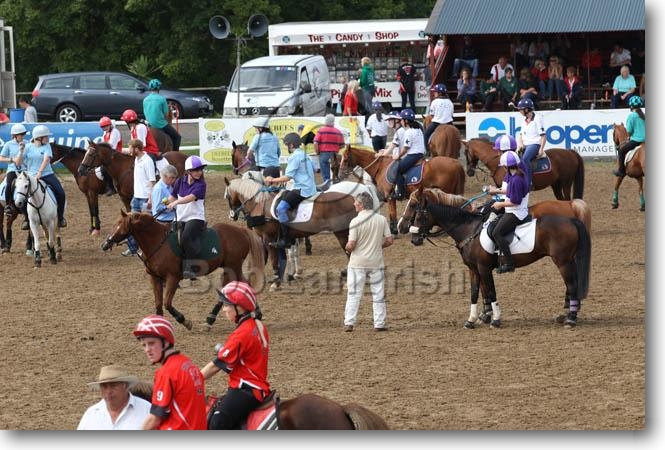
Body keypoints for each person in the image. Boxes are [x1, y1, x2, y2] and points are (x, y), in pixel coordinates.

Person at [201, 281, 270, 429]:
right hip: (258, 388)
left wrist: (193, 380)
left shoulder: (241, 334)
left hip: (245, 389)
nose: (224, 310)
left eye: (227, 305)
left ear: (239, 307)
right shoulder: (258, 325)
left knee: (217, 423)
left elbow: (215, 366)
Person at [133, 315, 207, 430]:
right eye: (144, 345)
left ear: (166, 342)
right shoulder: (189, 364)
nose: (147, 350)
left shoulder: (166, 372)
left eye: (151, 343)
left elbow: (155, 418)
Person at [343, 191, 393, 332]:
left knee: (354, 293)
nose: (354, 204)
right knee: (378, 293)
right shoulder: (381, 219)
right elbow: (389, 240)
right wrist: (378, 246)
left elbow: (351, 244)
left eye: (356, 202)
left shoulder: (355, 221)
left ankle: (349, 322)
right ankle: (379, 323)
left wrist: (347, 248)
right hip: (376, 261)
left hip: (357, 263)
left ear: (361, 205)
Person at [264, 133, 316, 249]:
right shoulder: (305, 155)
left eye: (287, 144)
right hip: (311, 188)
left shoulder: (294, 157)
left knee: (280, 209)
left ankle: (286, 239)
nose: (286, 146)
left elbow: (288, 177)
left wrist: (272, 180)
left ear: (291, 145)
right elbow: (315, 169)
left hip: (302, 189)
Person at [15, 124, 67, 228]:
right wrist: (20, 152)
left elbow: (46, 159)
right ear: (38, 137)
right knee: (20, 196)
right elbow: (18, 163)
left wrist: (39, 172)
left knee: (61, 193)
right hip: (31, 176)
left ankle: (60, 218)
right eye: (46, 136)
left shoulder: (47, 146)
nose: (47, 138)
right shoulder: (27, 147)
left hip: (47, 174)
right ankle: (27, 219)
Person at [486, 150, 530, 274]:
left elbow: (515, 202)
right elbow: (509, 191)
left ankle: (510, 264)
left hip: (516, 212)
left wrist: (500, 204)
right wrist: (496, 191)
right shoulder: (513, 175)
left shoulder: (516, 179)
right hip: (512, 210)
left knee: (497, 233)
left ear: (505, 166)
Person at [166, 155, 207, 279]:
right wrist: (167, 202)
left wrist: (176, 202)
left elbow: (191, 198)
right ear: (188, 171)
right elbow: (172, 197)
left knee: (186, 237)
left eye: (201, 170)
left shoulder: (201, 184)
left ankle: (192, 269)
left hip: (195, 218)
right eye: (196, 170)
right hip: (180, 217)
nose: (199, 172)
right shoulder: (180, 181)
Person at [77, 365, 151, 430]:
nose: (108, 392)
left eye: (113, 386)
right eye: (104, 387)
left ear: (125, 386)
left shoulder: (147, 410)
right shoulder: (91, 414)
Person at [121, 139, 156, 257]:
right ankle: (132, 248)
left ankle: (148, 247)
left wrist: (150, 198)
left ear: (136, 149)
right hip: (136, 198)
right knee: (132, 223)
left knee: (146, 225)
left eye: (130, 148)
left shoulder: (147, 161)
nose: (129, 150)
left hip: (145, 198)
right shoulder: (137, 159)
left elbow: (152, 181)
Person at [0, 124, 30, 229]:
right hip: (13, 169)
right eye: (20, 134)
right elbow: (1, 158)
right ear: (15, 135)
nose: (22, 136)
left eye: (23, 134)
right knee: (9, 184)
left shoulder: (28, 143)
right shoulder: (8, 144)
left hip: (25, 170)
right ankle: (8, 206)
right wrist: (11, 160)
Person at [394, 108, 425, 199]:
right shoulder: (418, 129)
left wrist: (398, 156)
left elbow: (405, 148)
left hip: (413, 156)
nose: (400, 122)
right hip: (421, 154)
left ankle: (400, 193)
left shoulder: (408, 131)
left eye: (401, 120)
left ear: (406, 121)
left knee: (397, 170)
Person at [515, 98, 546, 189]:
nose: (520, 111)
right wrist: (520, 144)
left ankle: (529, 182)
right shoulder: (524, 121)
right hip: (525, 144)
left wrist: (541, 149)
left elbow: (543, 136)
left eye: (521, 109)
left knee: (525, 159)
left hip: (535, 144)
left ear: (526, 109)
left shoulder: (537, 119)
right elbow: (521, 135)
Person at [143, 78, 181, 151]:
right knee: (177, 137)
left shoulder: (145, 100)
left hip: (149, 125)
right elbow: (166, 115)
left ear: (150, 88)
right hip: (160, 124)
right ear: (159, 88)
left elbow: (145, 113)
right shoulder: (162, 99)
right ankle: (175, 152)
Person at [613, 96, 645, 177]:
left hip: (637, 141)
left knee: (621, 151)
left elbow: (629, 132)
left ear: (631, 106)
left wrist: (628, 137)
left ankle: (621, 171)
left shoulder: (631, 116)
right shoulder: (644, 115)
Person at [313, 113, 345, 188]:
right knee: (335, 174)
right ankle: (336, 188)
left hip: (324, 154)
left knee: (326, 175)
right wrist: (336, 148)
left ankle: (327, 188)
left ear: (326, 121)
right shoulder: (338, 131)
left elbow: (315, 143)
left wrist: (317, 152)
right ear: (333, 121)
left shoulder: (321, 130)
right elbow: (342, 145)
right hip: (335, 155)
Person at [423, 83, 454, 151]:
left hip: (436, 123)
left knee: (426, 134)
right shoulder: (450, 102)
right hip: (449, 123)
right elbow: (451, 115)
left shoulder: (434, 102)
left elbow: (432, 115)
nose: (434, 93)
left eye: (435, 92)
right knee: (456, 135)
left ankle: (427, 151)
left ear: (439, 93)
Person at [99, 116, 122, 196]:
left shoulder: (115, 132)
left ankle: (111, 188)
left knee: (104, 169)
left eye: (106, 126)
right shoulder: (105, 133)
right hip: (109, 156)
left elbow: (111, 146)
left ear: (110, 125)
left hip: (116, 155)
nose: (104, 128)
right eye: (103, 127)